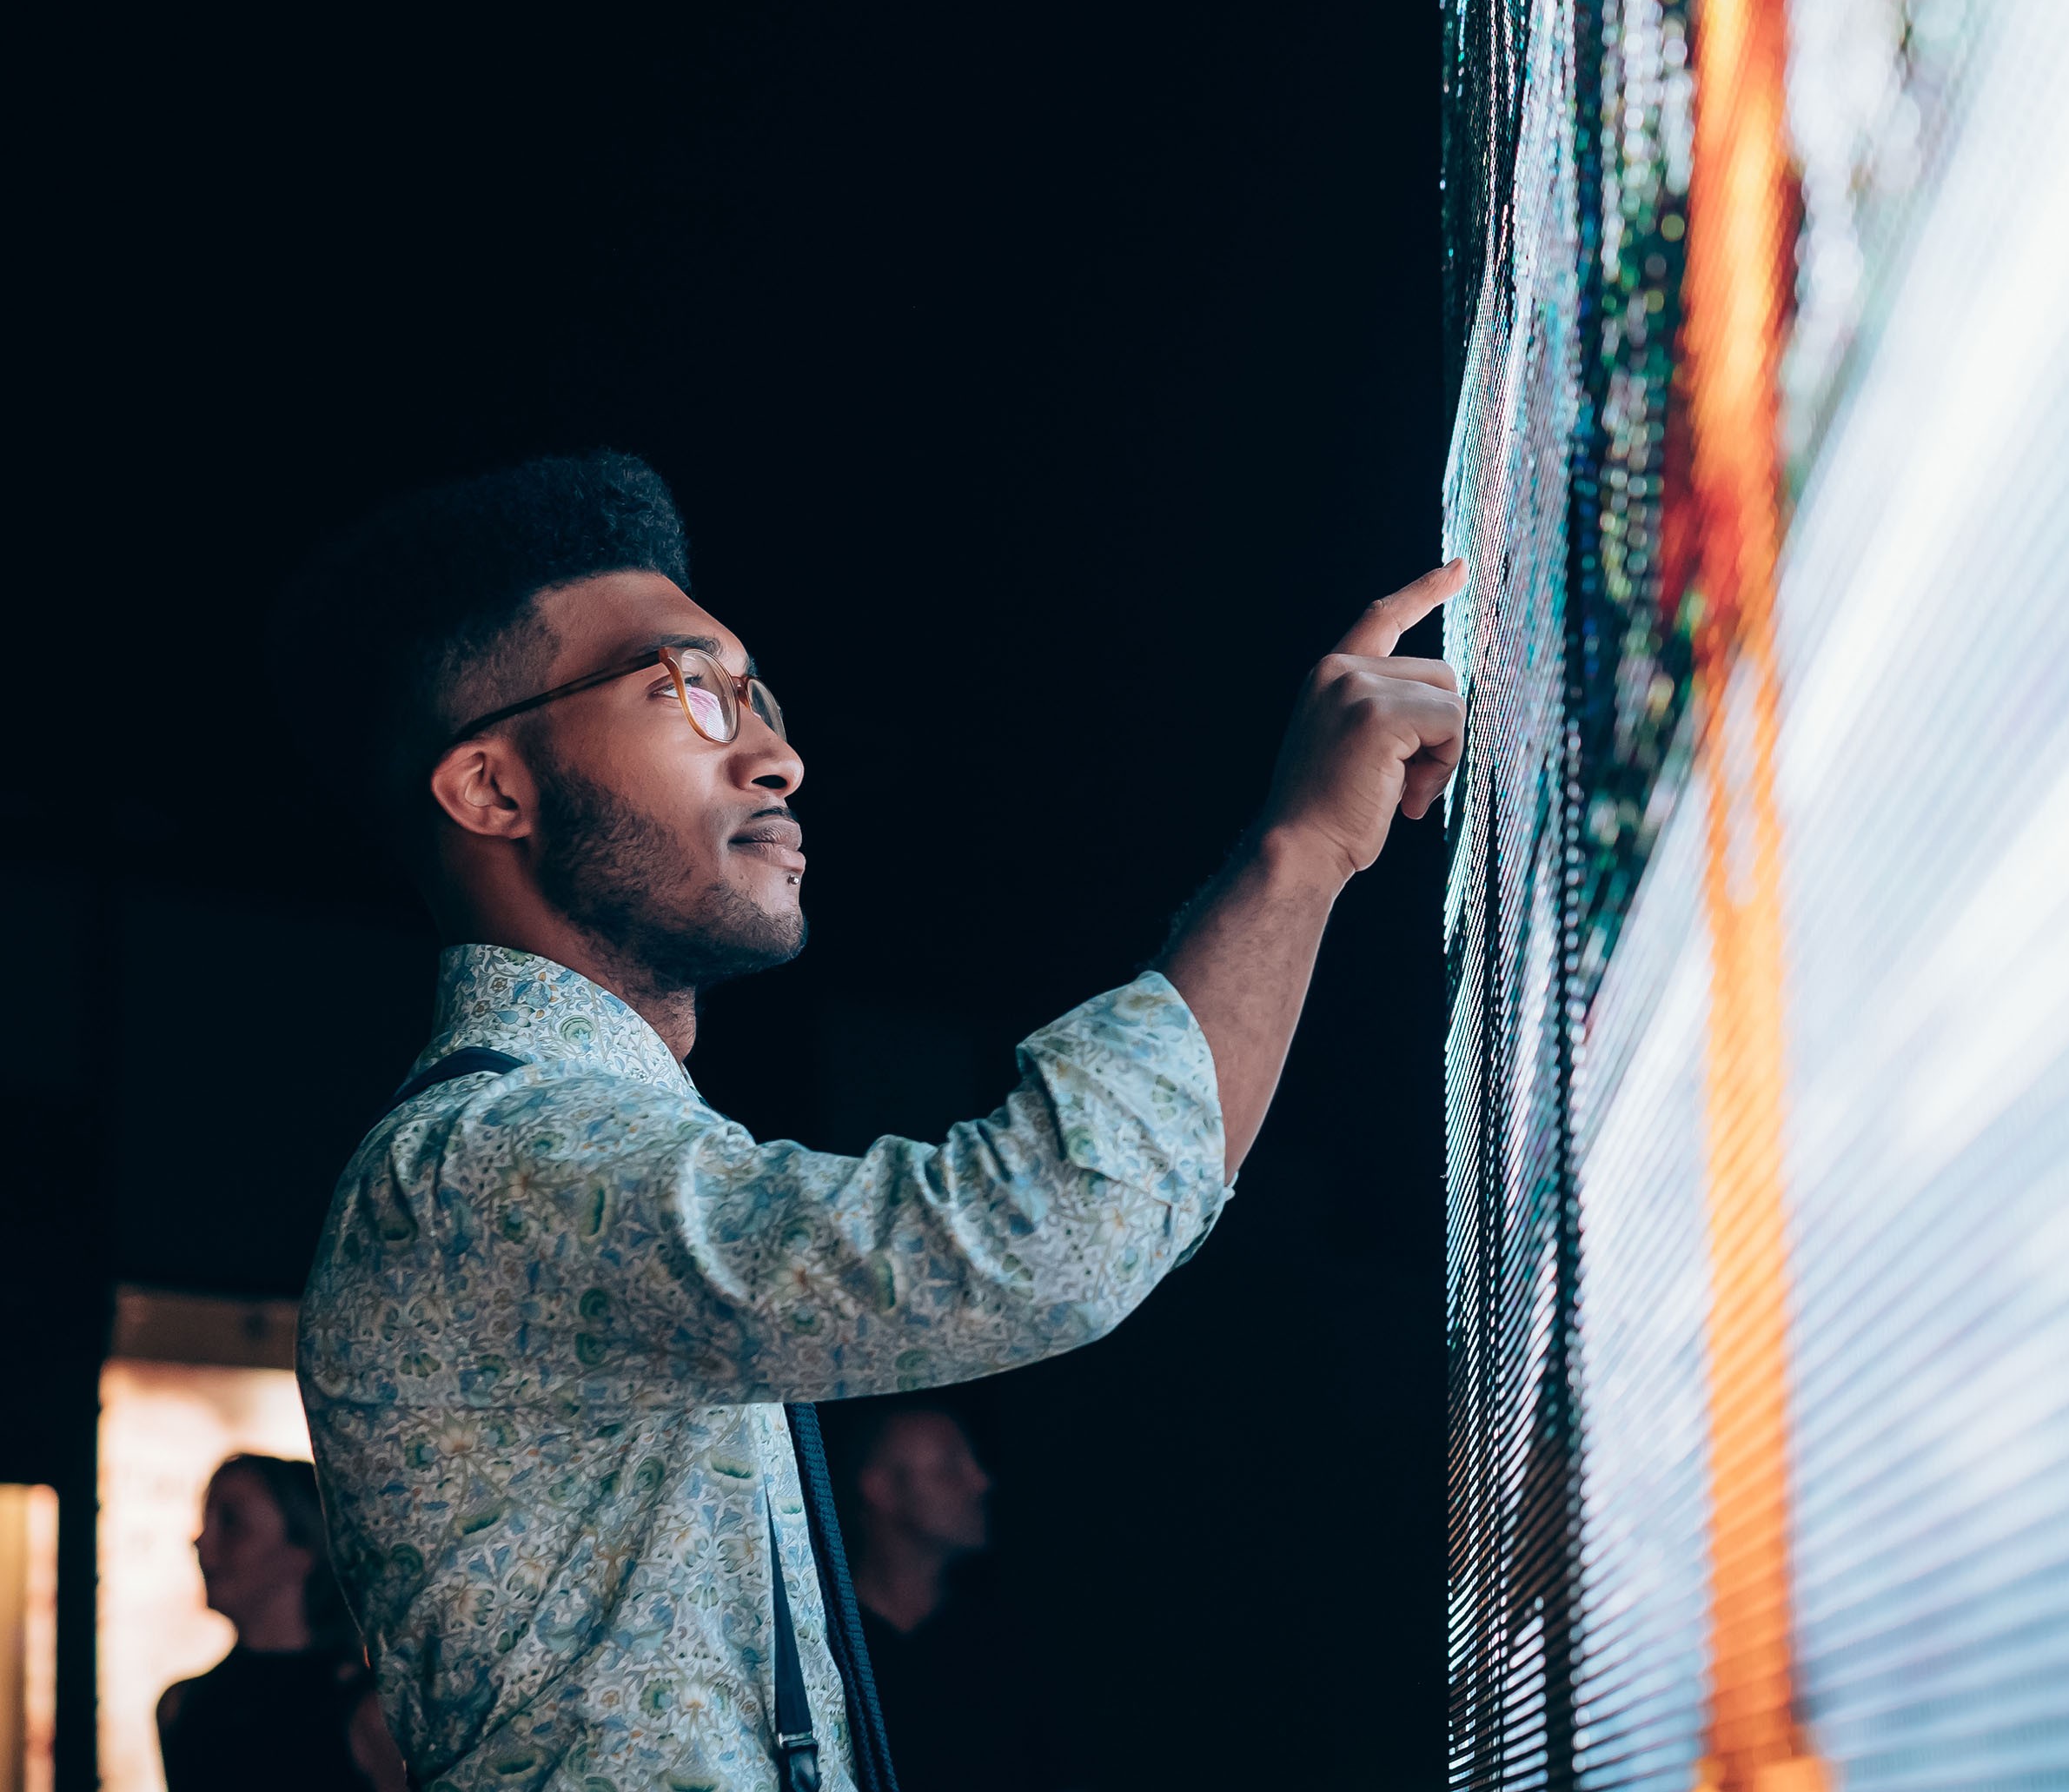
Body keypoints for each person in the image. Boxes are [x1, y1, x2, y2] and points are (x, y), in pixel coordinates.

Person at [281, 452, 1463, 1791]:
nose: (777, 755)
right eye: (689, 692)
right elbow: (1041, 1239)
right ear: (492, 790)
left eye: (757, 696)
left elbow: (1090, 1229)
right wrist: (1302, 847)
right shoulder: (480, 1163)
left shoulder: (578, 1148)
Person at [828, 1404, 1057, 1787]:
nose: (981, 1482)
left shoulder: (1005, 1644)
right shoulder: (824, 1647)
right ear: (880, 1489)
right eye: (949, 1468)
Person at [156, 1455, 409, 1792]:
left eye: (230, 1522)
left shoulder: (371, 1715)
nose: (200, 1541)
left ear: (303, 1551)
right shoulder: (178, 1704)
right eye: (207, 1519)